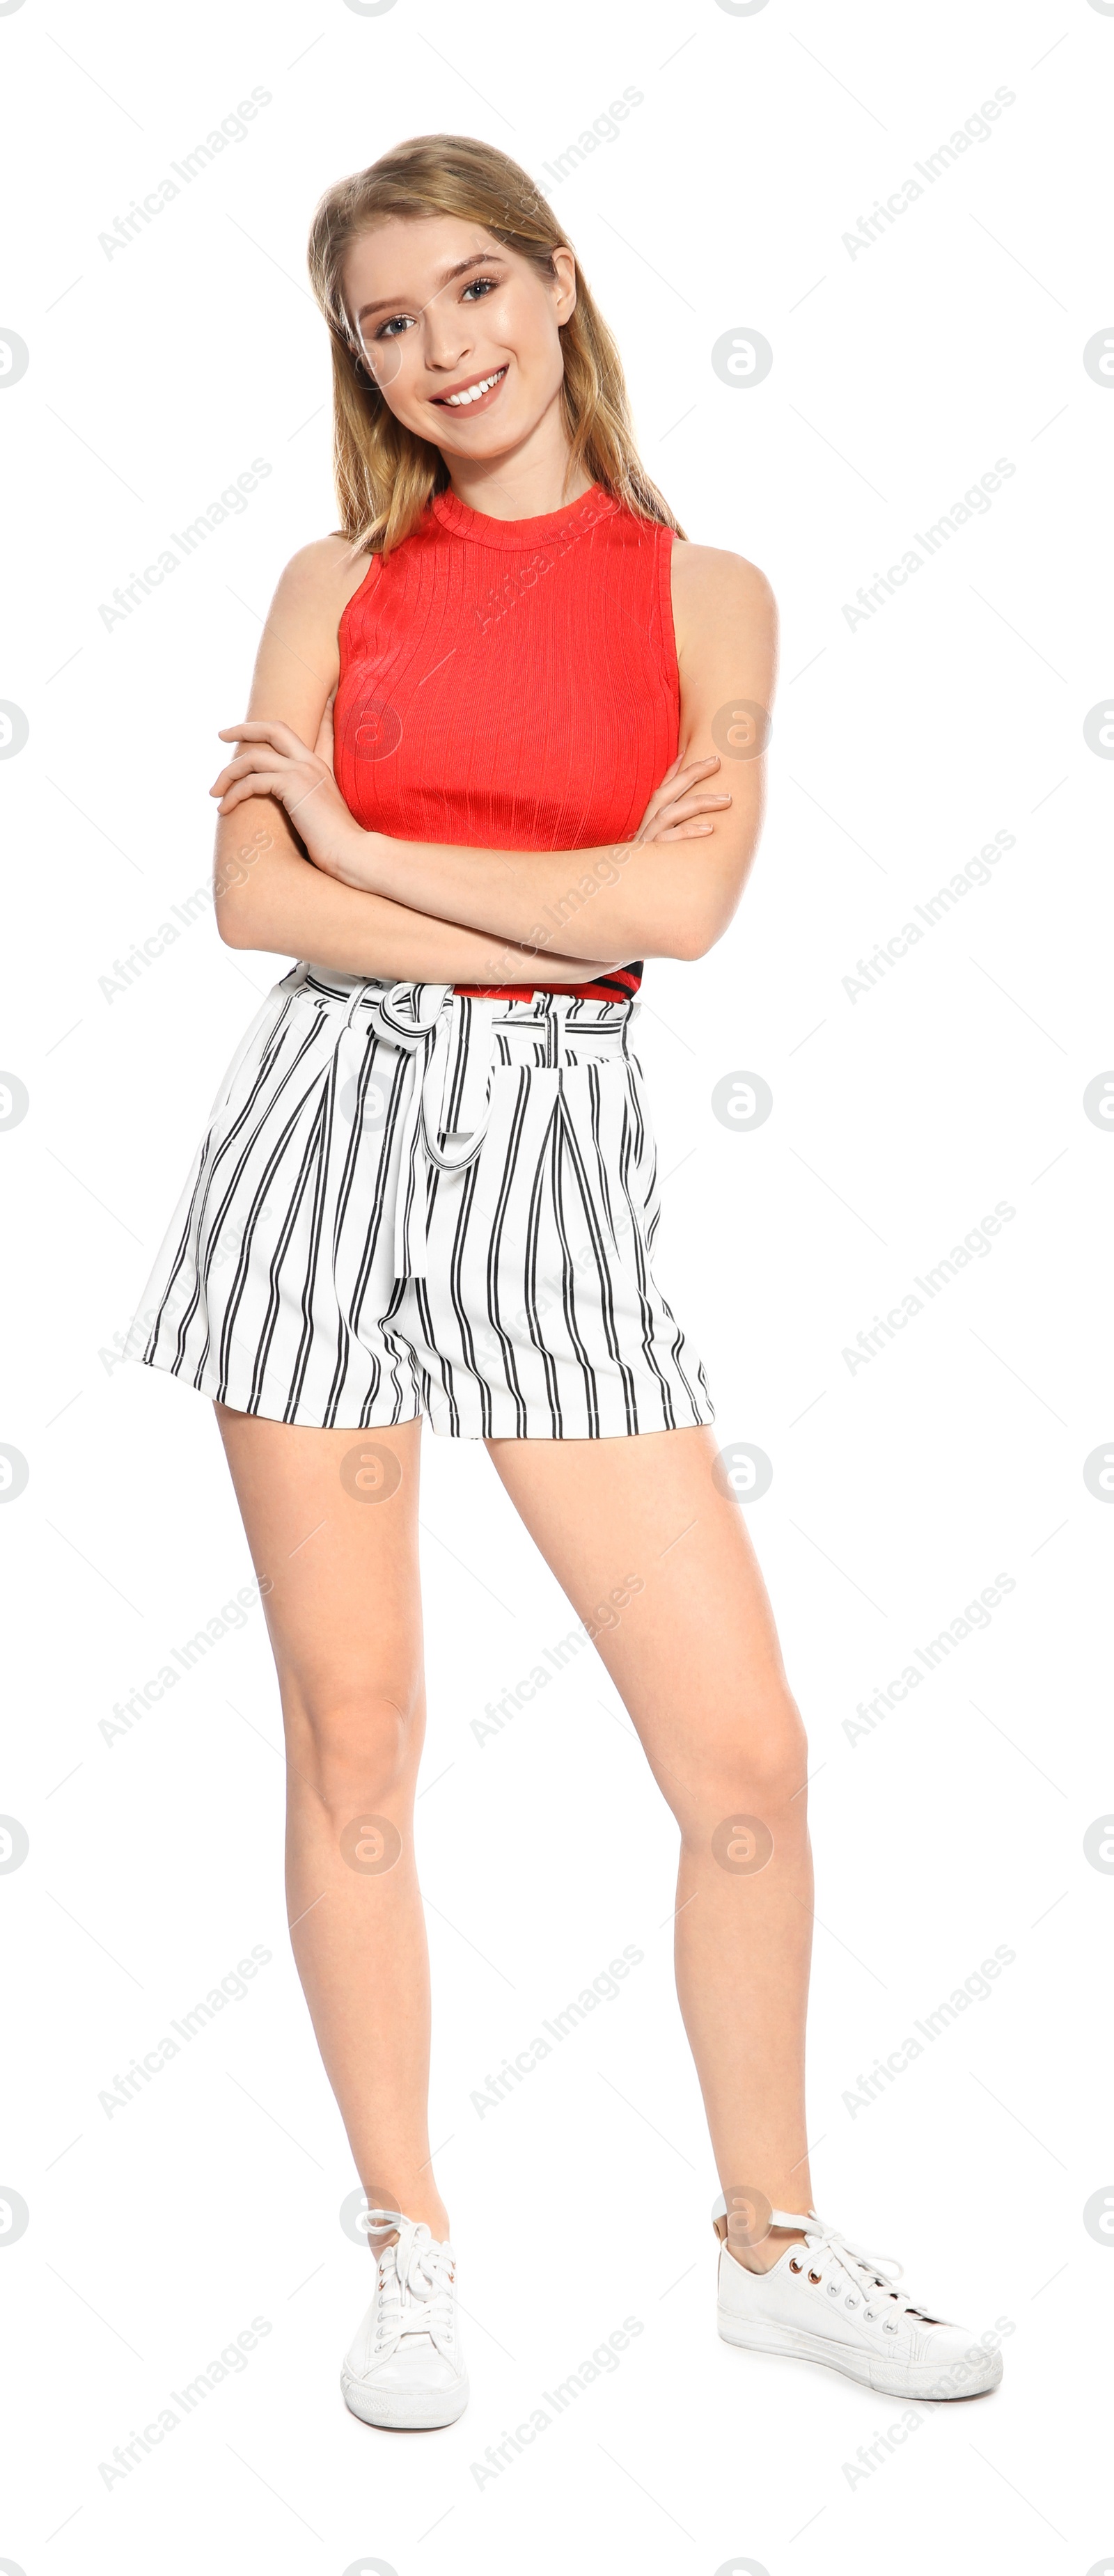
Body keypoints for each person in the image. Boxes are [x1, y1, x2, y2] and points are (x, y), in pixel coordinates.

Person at [127, 133, 1002, 2429]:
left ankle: (771, 2240)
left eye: (477, 290)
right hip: (322, 1144)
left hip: (562, 1171)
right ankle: (410, 2244)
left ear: (560, 280)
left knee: (743, 1755)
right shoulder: (332, 579)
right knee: (362, 1732)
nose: (446, 350)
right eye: (389, 322)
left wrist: (364, 839)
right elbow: (254, 910)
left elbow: (674, 924)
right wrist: (503, 893)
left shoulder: (708, 591)